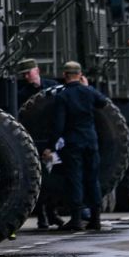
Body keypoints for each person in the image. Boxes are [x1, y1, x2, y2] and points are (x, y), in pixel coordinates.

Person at [47, 61, 108, 231]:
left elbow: (58, 125)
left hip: (73, 143)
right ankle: (95, 219)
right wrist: (88, 87)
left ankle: (76, 219)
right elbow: (103, 102)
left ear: (65, 75)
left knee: (75, 179)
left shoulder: (63, 96)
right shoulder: (88, 92)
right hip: (91, 141)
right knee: (92, 179)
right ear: (80, 75)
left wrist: (50, 146)